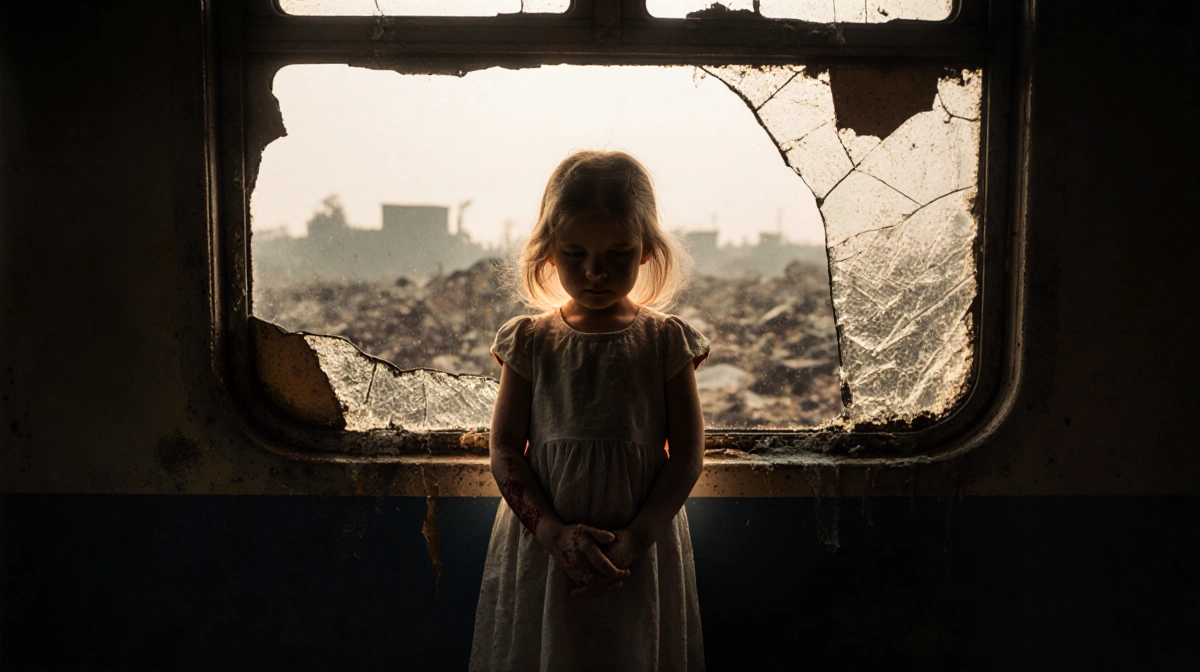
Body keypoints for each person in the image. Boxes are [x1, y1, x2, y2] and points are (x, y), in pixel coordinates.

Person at [470, 150, 710, 672]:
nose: (595, 272)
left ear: (647, 251)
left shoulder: (665, 341)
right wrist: (553, 534)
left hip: (639, 553)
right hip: (545, 550)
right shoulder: (530, 340)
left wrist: (632, 543)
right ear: (549, 252)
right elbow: (505, 447)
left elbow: (689, 453)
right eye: (575, 253)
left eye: (617, 253)